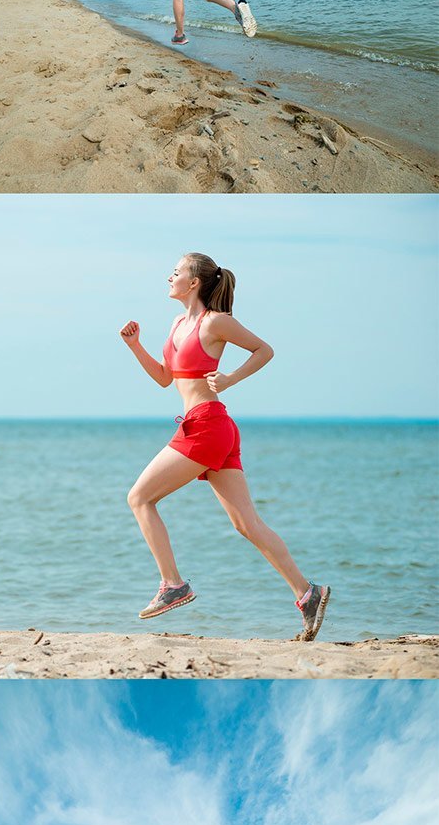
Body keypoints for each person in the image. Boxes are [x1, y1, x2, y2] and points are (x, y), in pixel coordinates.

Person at [121, 249, 330, 634]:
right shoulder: (175, 323)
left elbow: (264, 350)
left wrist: (231, 378)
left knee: (140, 498)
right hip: (208, 426)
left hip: (206, 426)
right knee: (246, 524)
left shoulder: (216, 322)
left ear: (194, 282)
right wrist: (136, 347)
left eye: (176, 272)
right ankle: (307, 593)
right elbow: (167, 378)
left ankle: (173, 584)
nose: (170, 277)